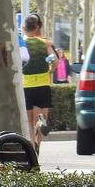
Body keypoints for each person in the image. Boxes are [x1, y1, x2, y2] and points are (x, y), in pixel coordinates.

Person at [22, 13, 56, 149]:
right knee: (41, 117)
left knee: (29, 122)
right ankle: (39, 136)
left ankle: (32, 147)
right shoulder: (45, 43)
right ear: (37, 27)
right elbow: (55, 61)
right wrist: (50, 70)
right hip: (43, 85)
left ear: (24, 27)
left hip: (26, 85)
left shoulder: (22, 43)